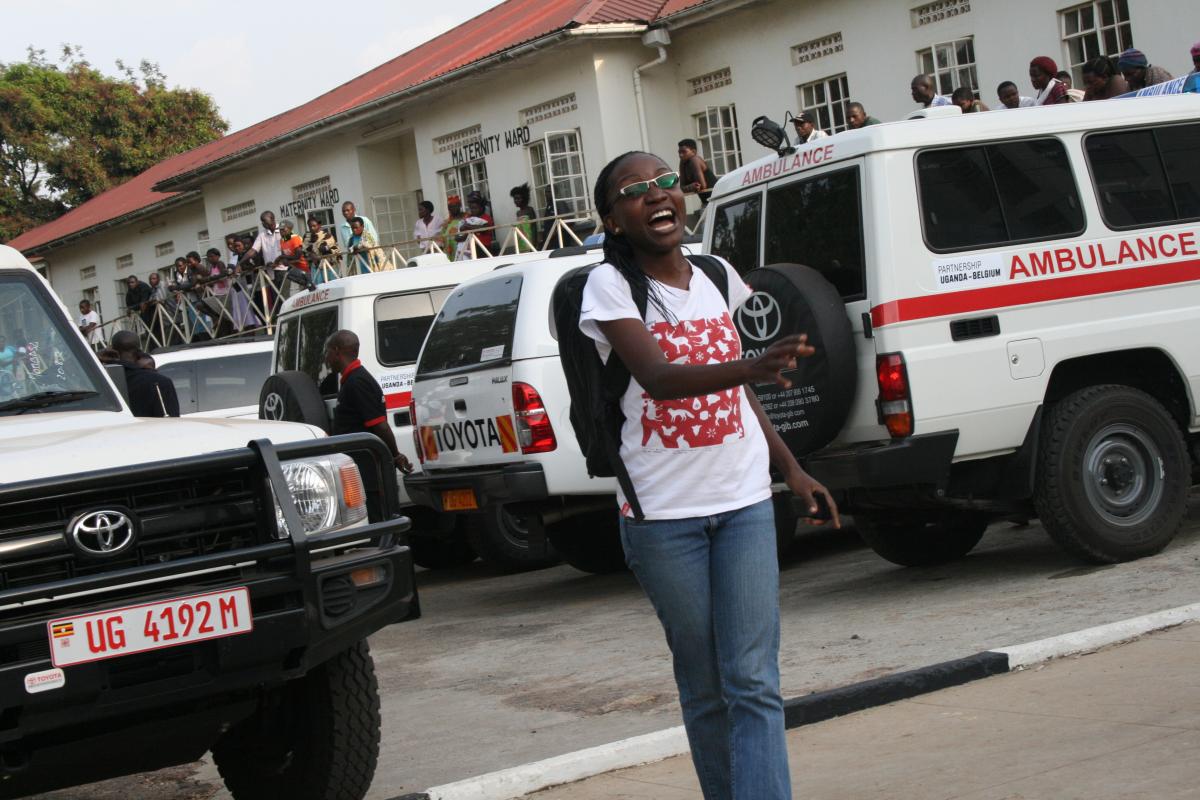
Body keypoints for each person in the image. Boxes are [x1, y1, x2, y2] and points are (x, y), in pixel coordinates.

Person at [579, 150, 840, 800]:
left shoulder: (719, 275)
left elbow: (738, 398)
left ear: (686, 194)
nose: (656, 196)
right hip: (664, 518)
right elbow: (661, 380)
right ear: (613, 217)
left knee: (752, 679)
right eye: (634, 191)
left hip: (747, 502)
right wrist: (749, 367)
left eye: (666, 182)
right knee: (704, 684)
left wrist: (791, 468)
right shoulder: (611, 287)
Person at [323, 329, 412, 474]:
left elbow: (381, 426)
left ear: (337, 351)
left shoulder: (357, 382)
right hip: (357, 465)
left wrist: (395, 456)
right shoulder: (351, 380)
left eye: (328, 353)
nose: (326, 359)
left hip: (367, 468)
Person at [112, 330, 179, 417]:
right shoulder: (160, 382)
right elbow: (171, 421)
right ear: (139, 352)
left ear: (112, 350)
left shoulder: (100, 380)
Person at [677, 139, 717, 206]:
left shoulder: (695, 160)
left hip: (716, 199)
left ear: (693, 152)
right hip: (706, 201)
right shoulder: (682, 163)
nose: (681, 155)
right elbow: (682, 188)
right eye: (679, 152)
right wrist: (692, 187)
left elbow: (702, 186)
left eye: (684, 152)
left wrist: (690, 187)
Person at [303, 215, 342, 283]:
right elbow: (305, 251)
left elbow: (325, 248)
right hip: (316, 267)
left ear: (319, 225)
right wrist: (310, 254)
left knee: (333, 284)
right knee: (319, 287)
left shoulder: (326, 235)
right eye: (310, 226)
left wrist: (318, 248)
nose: (312, 228)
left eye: (314, 226)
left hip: (329, 265)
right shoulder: (307, 237)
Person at [456, 192, 495, 259]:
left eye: (475, 208)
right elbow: (458, 236)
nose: (472, 210)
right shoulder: (468, 218)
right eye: (471, 208)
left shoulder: (486, 218)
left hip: (484, 248)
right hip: (470, 249)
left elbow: (485, 228)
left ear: (482, 207)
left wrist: (468, 227)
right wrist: (464, 233)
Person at [509, 185, 538, 251]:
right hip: (521, 242)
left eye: (518, 198)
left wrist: (534, 243)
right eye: (515, 199)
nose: (516, 201)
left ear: (524, 198)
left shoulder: (530, 210)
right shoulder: (518, 212)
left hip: (530, 242)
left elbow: (533, 227)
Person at [441, 196, 466, 260]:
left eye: (455, 206)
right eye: (450, 207)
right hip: (449, 254)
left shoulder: (467, 218)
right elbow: (442, 239)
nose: (453, 208)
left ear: (460, 205)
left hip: (463, 252)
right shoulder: (446, 223)